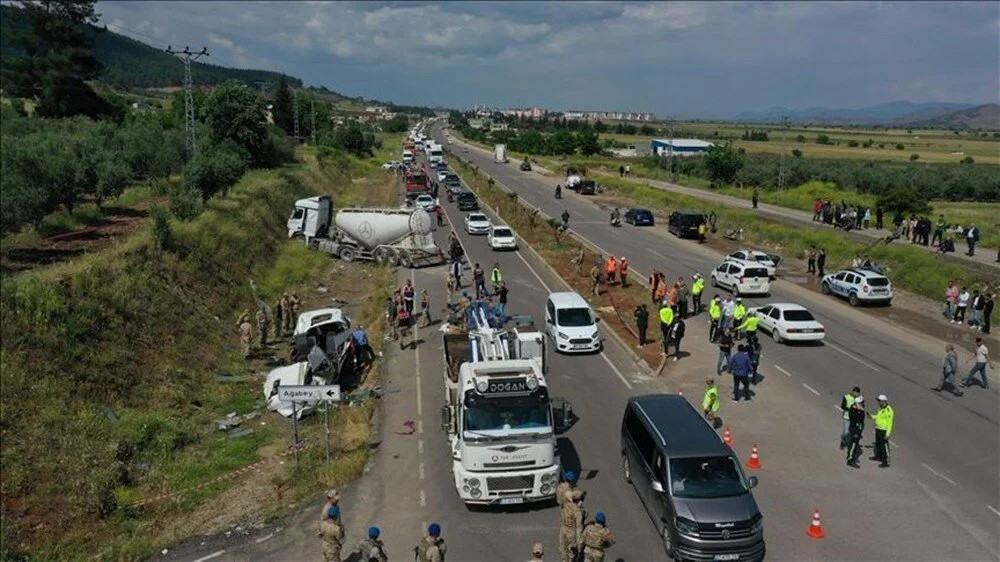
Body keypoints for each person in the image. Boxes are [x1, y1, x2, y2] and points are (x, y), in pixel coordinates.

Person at [559, 489, 585, 562]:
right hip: (571, 532)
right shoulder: (578, 511)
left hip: (563, 530)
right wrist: (579, 544)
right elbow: (579, 527)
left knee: (563, 549)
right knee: (572, 553)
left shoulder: (566, 505)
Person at [869, 395, 894, 468]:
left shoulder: (889, 411)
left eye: (879, 401)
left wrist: (888, 434)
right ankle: (878, 457)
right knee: (878, 444)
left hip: (884, 430)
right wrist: (872, 417)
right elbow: (878, 416)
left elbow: (890, 423)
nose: (878, 402)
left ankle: (886, 461)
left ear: (883, 401)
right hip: (878, 428)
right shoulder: (880, 408)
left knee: (884, 446)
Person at [845, 396, 866, 469]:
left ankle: (853, 457)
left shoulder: (860, 409)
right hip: (855, 429)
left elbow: (863, 418)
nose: (863, 404)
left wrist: (861, 410)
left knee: (855, 444)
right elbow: (857, 419)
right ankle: (850, 459)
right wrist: (860, 410)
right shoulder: (853, 410)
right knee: (853, 444)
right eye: (861, 403)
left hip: (859, 429)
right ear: (857, 403)